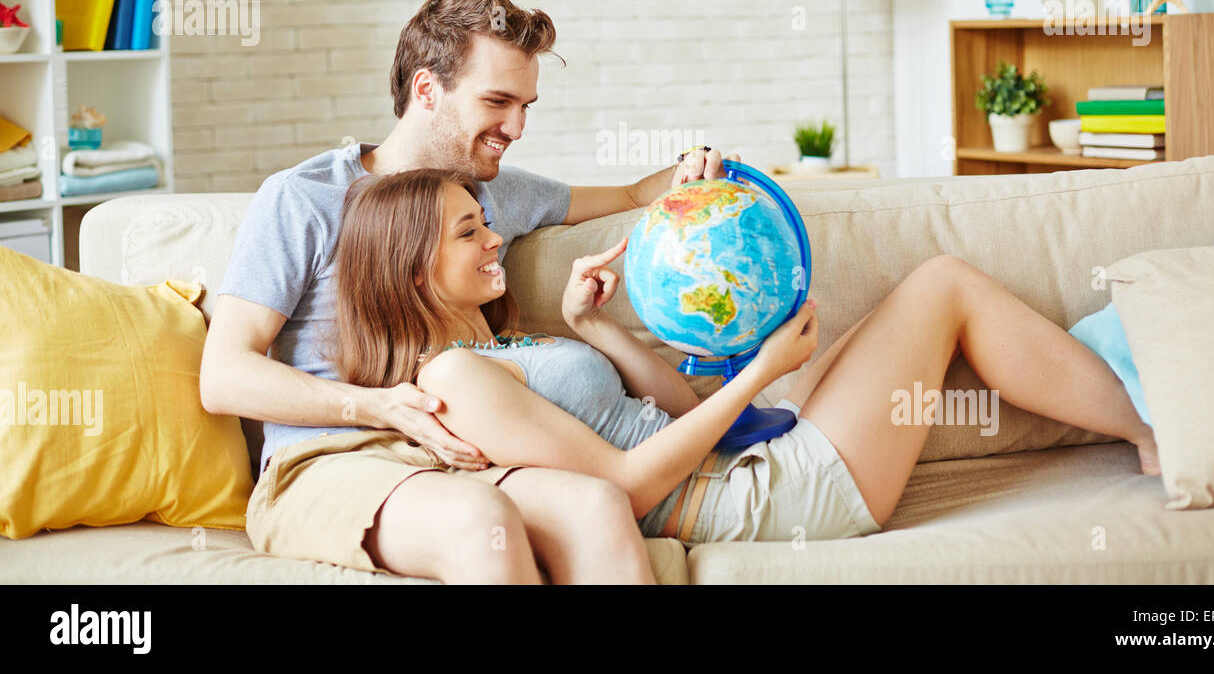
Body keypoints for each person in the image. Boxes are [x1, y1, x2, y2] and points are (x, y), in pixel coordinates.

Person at [199, 0, 734, 584]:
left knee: (595, 506)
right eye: (498, 102)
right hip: (334, 459)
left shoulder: (493, 190)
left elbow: (636, 194)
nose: (517, 128)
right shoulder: (306, 198)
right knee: (479, 519)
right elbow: (223, 376)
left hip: (462, 456)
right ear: (426, 89)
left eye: (525, 107)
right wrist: (380, 408)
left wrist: (694, 165)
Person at [333, 167, 1163, 549]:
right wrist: (761, 374)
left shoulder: (498, 347)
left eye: (486, 221)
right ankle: (1158, 428)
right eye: (469, 231)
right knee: (943, 287)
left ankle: (1149, 423)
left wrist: (600, 334)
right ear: (411, 266)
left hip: (748, 461)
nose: (494, 239)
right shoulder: (450, 380)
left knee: (919, 298)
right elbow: (624, 489)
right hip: (756, 499)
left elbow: (678, 415)